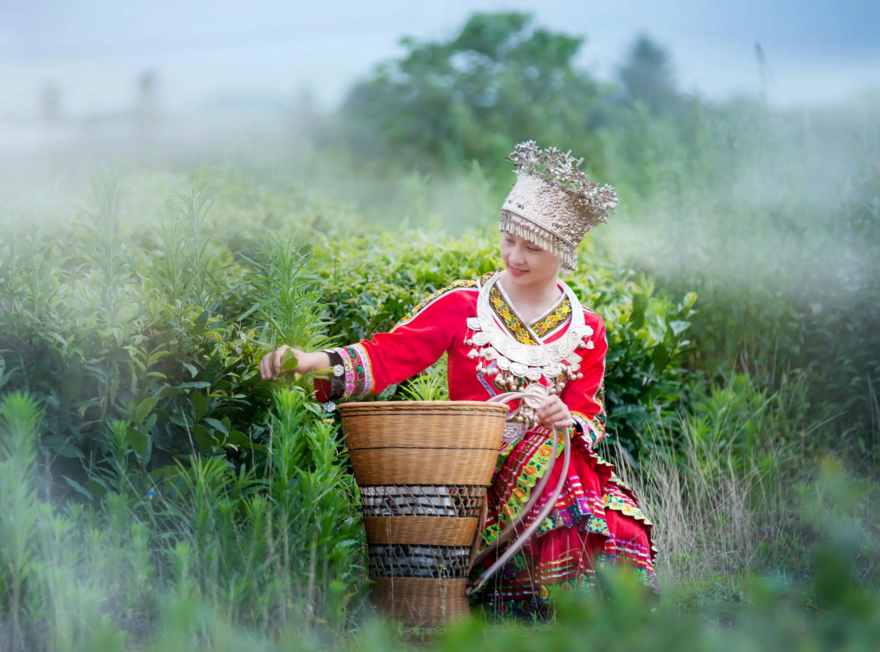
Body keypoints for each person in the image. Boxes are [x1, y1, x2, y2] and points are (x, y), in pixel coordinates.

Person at [259, 141, 659, 618]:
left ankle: (577, 612)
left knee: (618, 520)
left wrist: (563, 417)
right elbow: (387, 355)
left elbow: (590, 418)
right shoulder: (463, 307)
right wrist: (310, 362)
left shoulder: (587, 328)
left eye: (533, 247)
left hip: (564, 465)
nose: (516, 255)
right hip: (473, 466)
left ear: (565, 253)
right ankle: (554, 608)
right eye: (510, 239)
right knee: (557, 475)